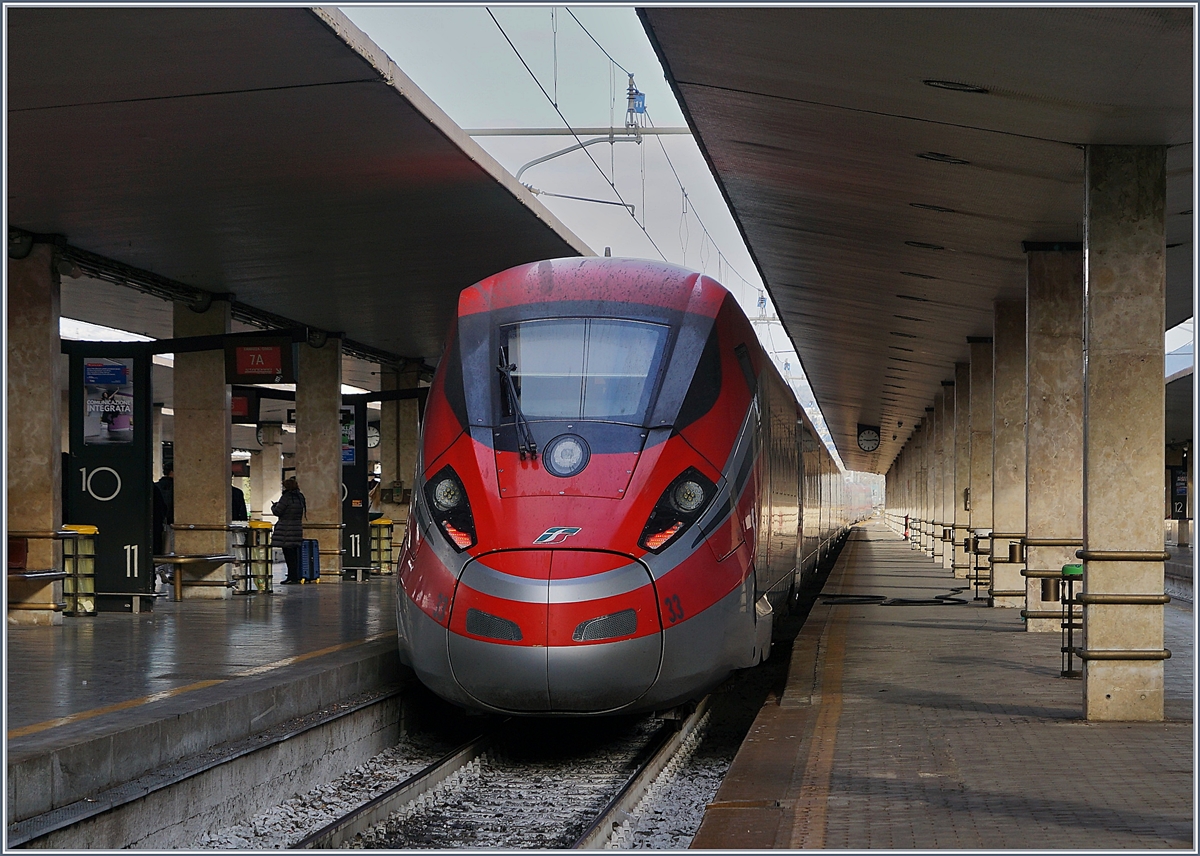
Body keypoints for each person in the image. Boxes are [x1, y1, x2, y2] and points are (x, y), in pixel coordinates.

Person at [271, 476, 306, 584]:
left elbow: (278, 511)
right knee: (295, 555)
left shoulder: (286, 497)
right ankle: (296, 576)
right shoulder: (300, 497)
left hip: (286, 530)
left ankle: (291, 577)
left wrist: (274, 506)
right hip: (297, 529)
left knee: (288, 555)